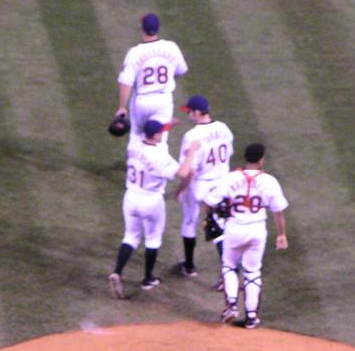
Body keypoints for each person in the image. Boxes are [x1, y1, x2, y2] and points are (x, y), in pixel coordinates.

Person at [108, 120, 199, 298]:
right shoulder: (160, 156)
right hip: (151, 201)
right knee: (153, 239)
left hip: (131, 197)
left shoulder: (133, 147)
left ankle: (117, 271)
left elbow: (154, 134)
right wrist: (192, 152)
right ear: (156, 135)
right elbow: (183, 173)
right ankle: (148, 279)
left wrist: (168, 125)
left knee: (131, 237)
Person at [202, 143, 289, 328]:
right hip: (257, 231)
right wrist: (281, 235)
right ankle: (251, 317)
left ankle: (232, 306)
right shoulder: (269, 181)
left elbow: (209, 201)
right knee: (252, 271)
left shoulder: (230, 178)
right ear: (261, 159)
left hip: (234, 229)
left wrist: (210, 216)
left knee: (229, 266)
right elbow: (279, 211)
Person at [173, 95, 234, 280]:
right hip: (222, 184)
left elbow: (190, 170)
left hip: (200, 186)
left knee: (190, 221)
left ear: (197, 113)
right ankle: (229, 272)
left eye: (190, 111)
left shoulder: (192, 136)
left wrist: (181, 189)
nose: (188, 114)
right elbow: (228, 154)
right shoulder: (224, 128)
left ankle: (190, 266)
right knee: (220, 225)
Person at [115, 13, 188, 148]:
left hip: (142, 101)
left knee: (137, 138)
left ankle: (135, 161)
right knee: (160, 139)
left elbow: (126, 82)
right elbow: (181, 70)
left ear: (142, 28)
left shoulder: (134, 53)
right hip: (164, 101)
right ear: (158, 28)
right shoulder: (171, 47)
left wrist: (121, 107)